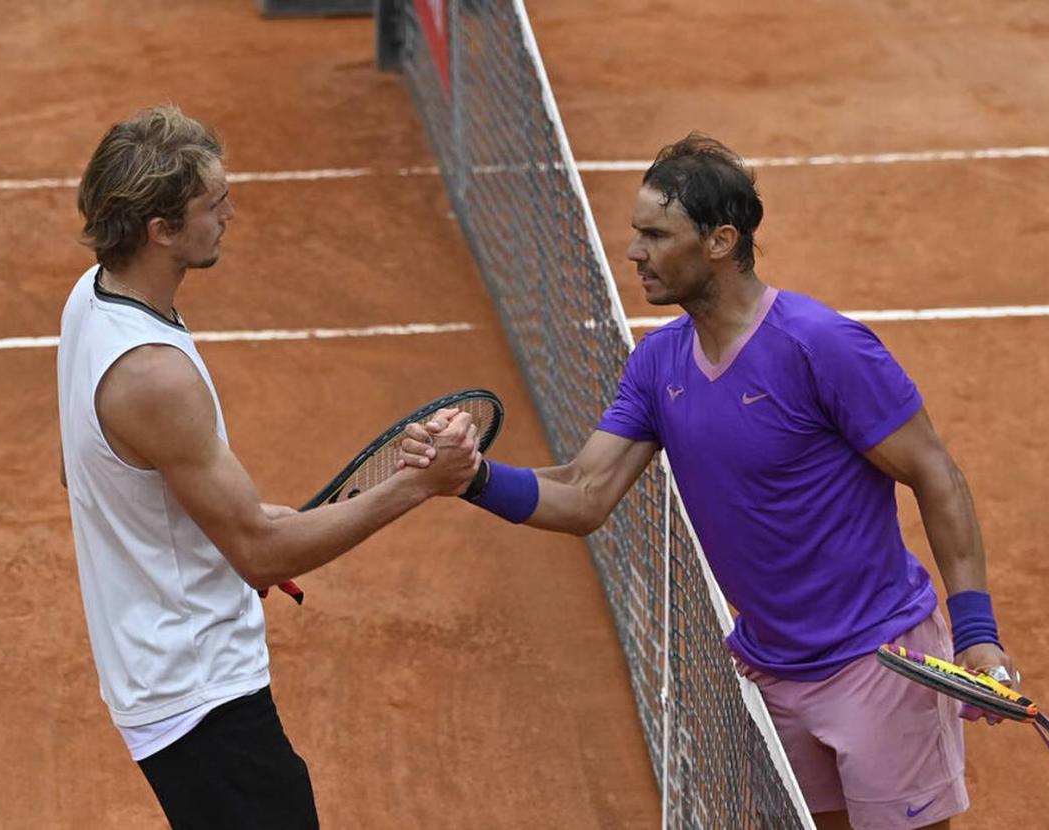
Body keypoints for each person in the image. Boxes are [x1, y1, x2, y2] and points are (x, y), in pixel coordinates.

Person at [422, 134, 1017, 830]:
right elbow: (584, 495)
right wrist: (473, 478)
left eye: (654, 234)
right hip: (775, 672)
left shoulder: (820, 345)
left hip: (877, 663)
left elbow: (936, 474)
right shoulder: (655, 365)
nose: (634, 253)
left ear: (720, 241)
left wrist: (977, 630)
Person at [56, 104, 481, 829]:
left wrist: (234, 532)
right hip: (199, 696)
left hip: (165, 668)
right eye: (212, 204)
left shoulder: (93, 300)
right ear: (160, 230)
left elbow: (102, 477)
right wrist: (421, 483)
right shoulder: (154, 376)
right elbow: (259, 557)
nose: (230, 214)